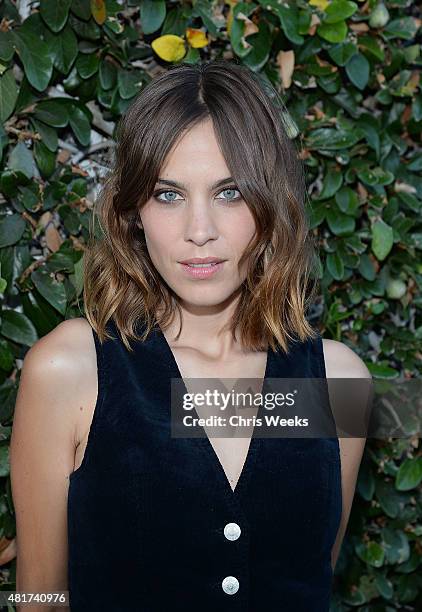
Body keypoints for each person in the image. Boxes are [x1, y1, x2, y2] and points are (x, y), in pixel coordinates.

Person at [10, 59, 370, 611]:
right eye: (168, 194)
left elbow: (309, 575)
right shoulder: (69, 370)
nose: (199, 231)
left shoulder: (337, 382)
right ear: (133, 212)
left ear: (269, 204)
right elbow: (40, 595)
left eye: (229, 193)